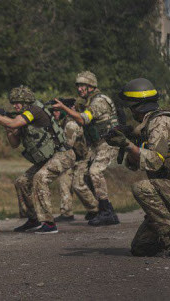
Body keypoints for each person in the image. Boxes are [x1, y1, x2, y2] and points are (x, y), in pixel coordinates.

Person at [104, 78, 170, 257]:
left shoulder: (161, 122)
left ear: (135, 107)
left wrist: (129, 145)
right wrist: (128, 143)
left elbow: (154, 161)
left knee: (142, 188)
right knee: (141, 247)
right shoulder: (147, 126)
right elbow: (133, 165)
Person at [0, 86, 70, 234]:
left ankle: (49, 223)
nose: (15, 105)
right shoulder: (22, 116)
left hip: (63, 154)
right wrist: (8, 129)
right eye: (14, 103)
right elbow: (14, 143)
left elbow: (13, 123)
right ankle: (33, 219)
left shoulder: (34, 110)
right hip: (47, 159)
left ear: (27, 101)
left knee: (40, 178)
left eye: (19, 102)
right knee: (21, 182)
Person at [53, 71, 119, 226]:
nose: (80, 89)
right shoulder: (87, 102)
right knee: (79, 179)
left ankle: (107, 212)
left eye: (83, 85)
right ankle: (99, 210)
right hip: (95, 145)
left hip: (108, 143)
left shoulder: (99, 101)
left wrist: (64, 107)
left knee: (95, 172)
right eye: (78, 85)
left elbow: (84, 119)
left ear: (91, 86)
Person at [51, 104, 99, 222]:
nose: (55, 113)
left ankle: (95, 209)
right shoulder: (61, 122)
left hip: (82, 158)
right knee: (64, 181)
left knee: (78, 184)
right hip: (70, 158)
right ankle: (66, 212)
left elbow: (67, 145)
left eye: (57, 111)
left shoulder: (71, 123)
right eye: (53, 111)